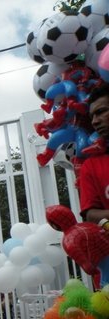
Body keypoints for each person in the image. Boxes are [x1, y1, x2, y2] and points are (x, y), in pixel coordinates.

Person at [78, 82, 109, 286]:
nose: (95, 121)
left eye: (102, 112)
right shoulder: (90, 165)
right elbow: (90, 213)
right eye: (92, 117)